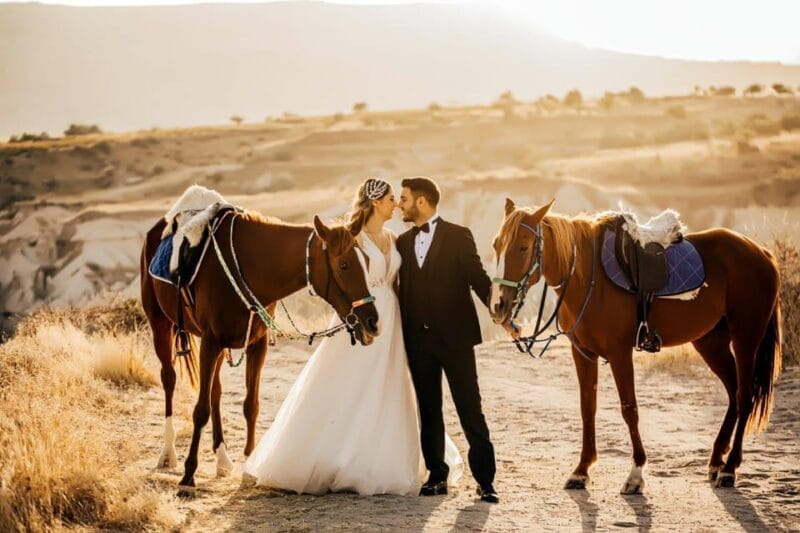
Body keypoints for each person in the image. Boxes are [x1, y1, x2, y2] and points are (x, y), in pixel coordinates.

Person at [242, 178, 463, 495]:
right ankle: (336, 459)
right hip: (360, 314)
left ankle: (378, 458)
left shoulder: (392, 237)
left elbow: (400, 284)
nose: (397, 204)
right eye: (391, 199)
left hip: (393, 317)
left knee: (389, 388)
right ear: (375, 202)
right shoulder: (350, 239)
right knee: (348, 385)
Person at [396, 176, 499, 503]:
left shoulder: (459, 235)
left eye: (404, 198)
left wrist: (500, 312)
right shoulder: (401, 243)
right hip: (418, 342)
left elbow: (478, 279)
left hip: (456, 340)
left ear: (422, 202)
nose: (400, 204)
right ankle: (436, 476)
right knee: (429, 410)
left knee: (470, 408)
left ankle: (485, 482)